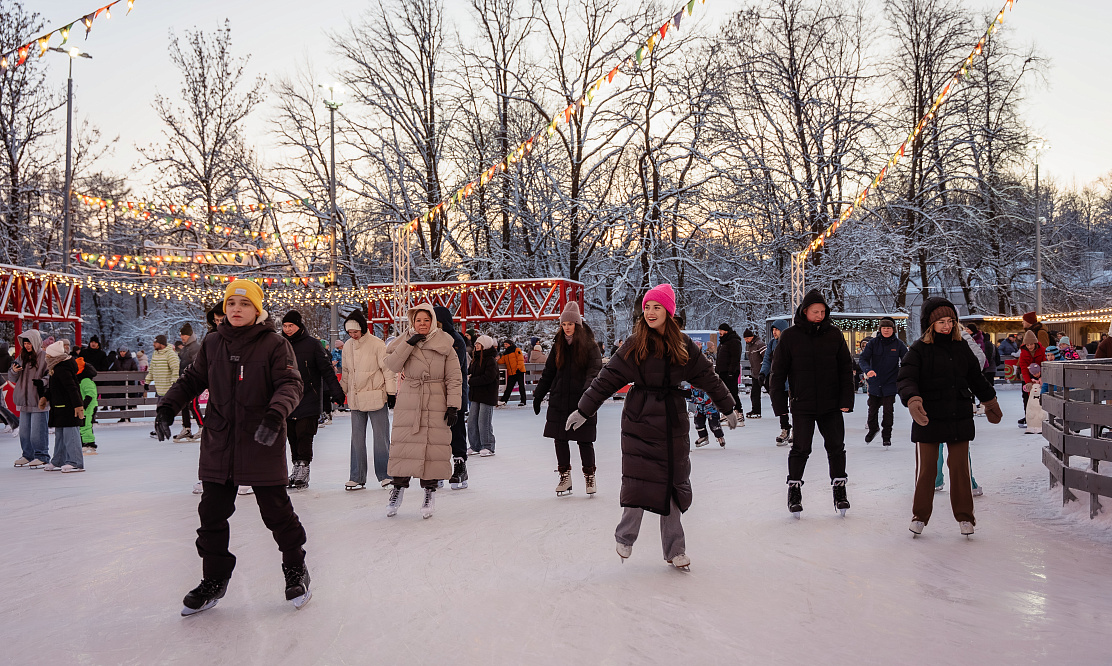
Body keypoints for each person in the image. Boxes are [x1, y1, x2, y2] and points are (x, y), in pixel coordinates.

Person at [157, 279, 310, 615]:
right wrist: (167, 407)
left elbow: (290, 384)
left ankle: (295, 567)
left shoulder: (274, 344)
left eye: (244, 304)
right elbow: (192, 380)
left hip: (261, 438)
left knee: (276, 513)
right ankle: (214, 579)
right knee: (211, 515)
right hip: (220, 441)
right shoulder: (213, 343)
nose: (236, 309)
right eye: (231, 304)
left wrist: (275, 415)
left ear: (257, 309)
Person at [566, 284, 735, 570]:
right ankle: (625, 537)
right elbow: (607, 378)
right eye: (647, 307)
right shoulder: (635, 343)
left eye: (657, 307)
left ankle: (675, 550)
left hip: (672, 421)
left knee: (672, 484)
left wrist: (727, 406)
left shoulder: (682, 344)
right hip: (640, 419)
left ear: (668, 312)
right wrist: (584, 409)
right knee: (639, 480)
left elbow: (708, 376)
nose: (651, 312)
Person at [898, 297, 1001, 538]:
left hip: (958, 415)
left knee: (960, 469)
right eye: (941, 321)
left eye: (950, 321)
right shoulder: (919, 349)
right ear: (930, 324)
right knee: (927, 471)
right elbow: (906, 378)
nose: (946, 326)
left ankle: (965, 517)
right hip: (928, 417)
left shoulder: (961, 346)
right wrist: (913, 399)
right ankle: (919, 516)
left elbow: (975, 378)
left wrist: (990, 401)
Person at [770, 289, 854, 518]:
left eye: (823, 311)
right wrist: (780, 407)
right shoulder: (790, 336)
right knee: (801, 448)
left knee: (836, 446)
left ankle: (840, 489)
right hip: (802, 403)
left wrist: (846, 399)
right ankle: (794, 490)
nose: (820, 315)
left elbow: (845, 368)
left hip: (831, 404)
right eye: (815, 311)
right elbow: (778, 373)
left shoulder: (834, 335)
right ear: (804, 311)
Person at [382, 303, 463, 519]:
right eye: (418, 320)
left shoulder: (445, 344)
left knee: (432, 450)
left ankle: (429, 492)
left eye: (426, 320)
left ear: (433, 321)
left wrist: (453, 405)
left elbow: (454, 378)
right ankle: (397, 489)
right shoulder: (405, 341)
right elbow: (392, 365)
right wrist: (409, 344)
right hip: (410, 399)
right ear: (412, 322)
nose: (422, 324)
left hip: (436, 400)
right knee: (403, 446)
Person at [533, 301, 603, 495]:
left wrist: (587, 396)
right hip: (560, 399)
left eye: (570, 324)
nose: (567, 327)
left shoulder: (589, 345)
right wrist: (538, 395)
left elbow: (594, 372)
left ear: (577, 324)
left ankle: (589, 476)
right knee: (560, 438)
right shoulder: (559, 345)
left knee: (584, 440)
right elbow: (549, 372)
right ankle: (565, 477)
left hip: (581, 401)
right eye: (564, 324)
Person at [282, 310, 346, 491]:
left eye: (291, 326)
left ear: (299, 325)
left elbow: (326, 370)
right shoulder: (280, 344)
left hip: (309, 395)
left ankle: (304, 467)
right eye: (285, 326)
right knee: (292, 435)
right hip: (287, 397)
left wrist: (336, 392)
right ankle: (296, 466)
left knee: (304, 433)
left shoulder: (312, 344)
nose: (287, 329)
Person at [340, 308, 396, 491]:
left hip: (375, 396)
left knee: (381, 438)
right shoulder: (347, 346)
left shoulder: (377, 344)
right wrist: (342, 392)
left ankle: (385, 475)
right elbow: (346, 372)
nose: (353, 335)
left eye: (355, 331)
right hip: (356, 398)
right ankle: (356, 476)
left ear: (362, 328)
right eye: (349, 332)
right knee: (356, 439)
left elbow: (388, 370)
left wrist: (391, 393)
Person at [433, 306, 471, 489]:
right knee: (437, 435)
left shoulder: (456, 340)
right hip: (435, 395)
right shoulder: (430, 339)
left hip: (455, 394)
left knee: (456, 431)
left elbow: (454, 370)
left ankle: (460, 465)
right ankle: (438, 469)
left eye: (436, 321)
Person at [37, 340, 86, 473]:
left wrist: (78, 405)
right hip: (59, 407)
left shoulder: (62, 368)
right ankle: (58, 460)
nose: (46, 357)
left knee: (71, 435)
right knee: (60, 436)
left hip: (69, 408)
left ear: (54, 356)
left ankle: (75, 462)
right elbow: (54, 388)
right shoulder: (56, 368)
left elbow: (72, 388)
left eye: (48, 355)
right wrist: (46, 397)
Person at [857, 318, 907, 447]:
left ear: (893, 330)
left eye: (888, 328)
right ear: (880, 329)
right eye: (884, 328)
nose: (886, 330)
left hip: (890, 382)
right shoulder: (873, 343)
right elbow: (863, 359)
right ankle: (873, 429)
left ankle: (887, 436)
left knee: (888, 411)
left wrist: (902, 374)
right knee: (872, 409)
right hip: (875, 381)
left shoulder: (898, 344)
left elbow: (907, 360)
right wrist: (868, 370)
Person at [9, 330, 49, 468]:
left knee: (38, 432)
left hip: (38, 400)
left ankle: (42, 456)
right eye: (25, 343)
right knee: (24, 432)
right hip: (23, 399)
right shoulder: (21, 357)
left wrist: (43, 382)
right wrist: (14, 371)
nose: (27, 346)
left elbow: (50, 375)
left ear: (35, 342)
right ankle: (27, 455)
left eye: (29, 343)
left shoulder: (44, 356)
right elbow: (12, 378)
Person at [760, 319, 792, 445]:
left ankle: (797, 430)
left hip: (791, 380)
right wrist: (763, 373)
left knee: (795, 406)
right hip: (778, 379)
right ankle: (785, 428)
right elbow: (767, 360)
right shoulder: (772, 343)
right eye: (773, 330)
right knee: (779, 405)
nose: (774, 332)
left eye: (777, 329)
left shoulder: (791, 343)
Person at [468, 334, 499, 457]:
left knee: (483, 422)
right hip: (475, 394)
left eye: (479, 344)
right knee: (472, 421)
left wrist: (471, 380)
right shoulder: (475, 359)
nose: (476, 346)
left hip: (487, 395)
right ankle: (475, 445)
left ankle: (488, 446)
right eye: (476, 343)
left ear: (485, 345)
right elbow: (470, 373)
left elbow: (489, 377)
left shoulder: (490, 360)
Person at [176, 323, 203, 442]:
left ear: (190, 335)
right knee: (184, 405)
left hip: (193, 382)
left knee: (193, 405)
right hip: (185, 381)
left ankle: (202, 427)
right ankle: (186, 428)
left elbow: (198, 365)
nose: (182, 337)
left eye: (184, 335)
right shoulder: (185, 348)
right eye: (181, 335)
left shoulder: (195, 348)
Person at [1017, 331, 1046, 428]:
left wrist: (1041, 376)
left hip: (1040, 375)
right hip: (1028, 376)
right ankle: (1028, 417)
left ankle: (1042, 416)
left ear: (1035, 343)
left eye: (1031, 344)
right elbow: (1023, 368)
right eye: (1027, 345)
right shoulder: (1023, 353)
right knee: (1027, 397)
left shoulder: (1042, 350)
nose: (1029, 347)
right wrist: (1028, 382)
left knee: (1041, 395)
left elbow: (1045, 364)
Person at [715, 323, 743, 416]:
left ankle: (738, 410)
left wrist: (731, 372)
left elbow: (735, 358)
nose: (719, 332)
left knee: (732, 392)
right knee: (724, 393)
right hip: (722, 371)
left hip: (730, 372)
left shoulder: (734, 341)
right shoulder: (723, 342)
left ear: (726, 331)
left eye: (721, 330)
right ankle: (728, 412)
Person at [75, 356, 99, 455]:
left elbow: (91, 393)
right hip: (85, 406)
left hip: (89, 407)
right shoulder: (82, 381)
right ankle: (85, 442)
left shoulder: (86, 380)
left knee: (86, 424)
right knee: (83, 425)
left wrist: (85, 403)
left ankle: (89, 443)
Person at [742, 329, 765, 419]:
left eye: (747, 338)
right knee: (754, 393)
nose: (746, 340)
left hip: (763, 373)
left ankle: (782, 408)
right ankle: (756, 410)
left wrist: (764, 370)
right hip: (755, 374)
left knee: (772, 391)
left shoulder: (759, 344)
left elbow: (766, 358)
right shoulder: (749, 346)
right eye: (745, 339)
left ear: (752, 337)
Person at [498, 340, 527, 406]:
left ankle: (523, 400)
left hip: (519, 371)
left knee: (521, 386)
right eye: (504, 344)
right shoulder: (505, 353)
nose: (505, 346)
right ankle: (504, 400)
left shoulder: (516, 350)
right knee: (509, 387)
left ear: (510, 344)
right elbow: (502, 361)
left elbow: (520, 360)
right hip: (511, 372)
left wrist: (518, 368)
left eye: (506, 344)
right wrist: (496, 360)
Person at [1024, 363, 1046, 435]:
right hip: (1032, 399)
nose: (1036, 375)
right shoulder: (1032, 380)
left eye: (1037, 373)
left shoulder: (1043, 379)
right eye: (1034, 374)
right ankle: (1031, 426)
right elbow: (1025, 388)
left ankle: (1041, 426)